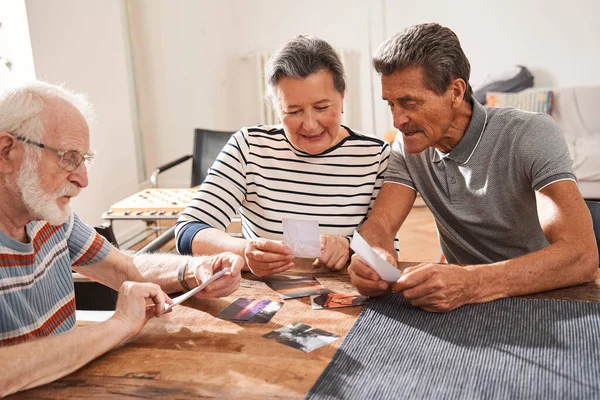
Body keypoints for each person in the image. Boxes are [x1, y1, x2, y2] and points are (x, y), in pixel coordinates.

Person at [0, 82, 243, 396]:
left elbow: (120, 266)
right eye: (68, 158)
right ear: (6, 152)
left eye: (84, 159)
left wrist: (193, 272)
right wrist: (117, 325)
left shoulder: (49, 215)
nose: (83, 179)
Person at [348, 23, 598, 312]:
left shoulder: (530, 133)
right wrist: (375, 257)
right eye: (391, 104)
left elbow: (582, 256)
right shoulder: (409, 146)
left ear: (455, 91)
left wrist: (472, 283)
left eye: (410, 103)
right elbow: (379, 224)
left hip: (545, 298)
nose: (397, 120)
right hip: (462, 304)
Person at [175, 35, 392, 276]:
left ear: (342, 98)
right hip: (266, 296)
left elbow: (385, 254)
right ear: (276, 107)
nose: (310, 124)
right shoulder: (248, 146)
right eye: (294, 111)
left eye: (322, 107)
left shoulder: (376, 156)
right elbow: (188, 230)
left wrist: (348, 249)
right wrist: (244, 251)